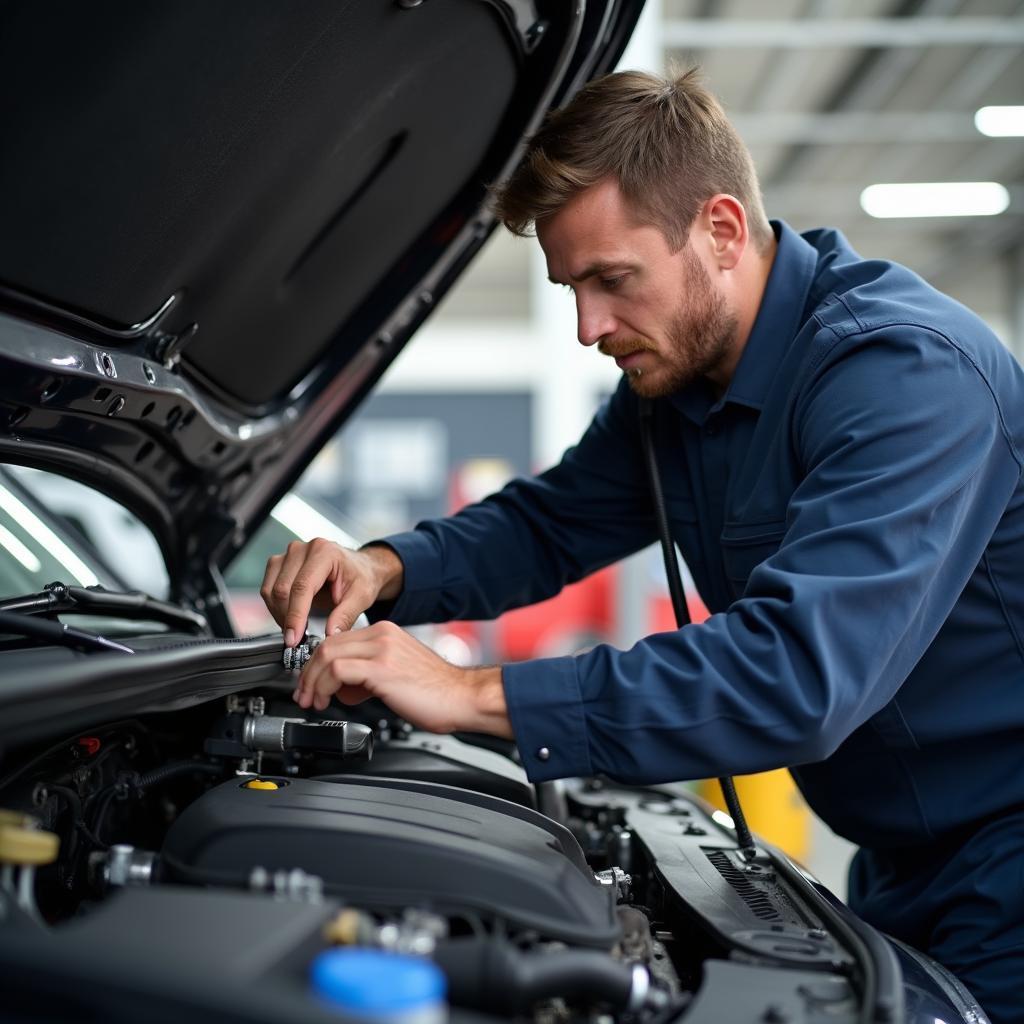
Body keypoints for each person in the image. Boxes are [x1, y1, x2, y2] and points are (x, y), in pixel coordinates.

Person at [262, 70, 1024, 1020]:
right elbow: (548, 522)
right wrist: (383, 568)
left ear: (721, 230)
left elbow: (797, 673)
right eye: (571, 286)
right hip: (900, 858)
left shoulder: (903, 375)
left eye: (611, 279)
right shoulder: (681, 386)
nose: (588, 327)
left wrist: (470, 693)